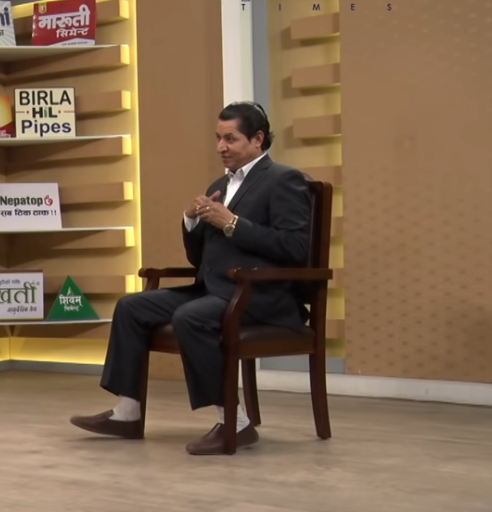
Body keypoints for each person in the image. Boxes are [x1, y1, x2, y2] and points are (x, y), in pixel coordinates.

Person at [69, 102, 312, 455]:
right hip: (214, 289)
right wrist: (191, 221)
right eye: (218, 138)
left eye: (230, 138)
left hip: (259, 296)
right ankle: (127, 414)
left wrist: (232, 223)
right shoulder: (220, 185)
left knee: (191, 317)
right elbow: (200, 259)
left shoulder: (283, 179)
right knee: (131, 307)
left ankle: (235, 423)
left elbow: (295, 248)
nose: (221, 147)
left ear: (258, 139)